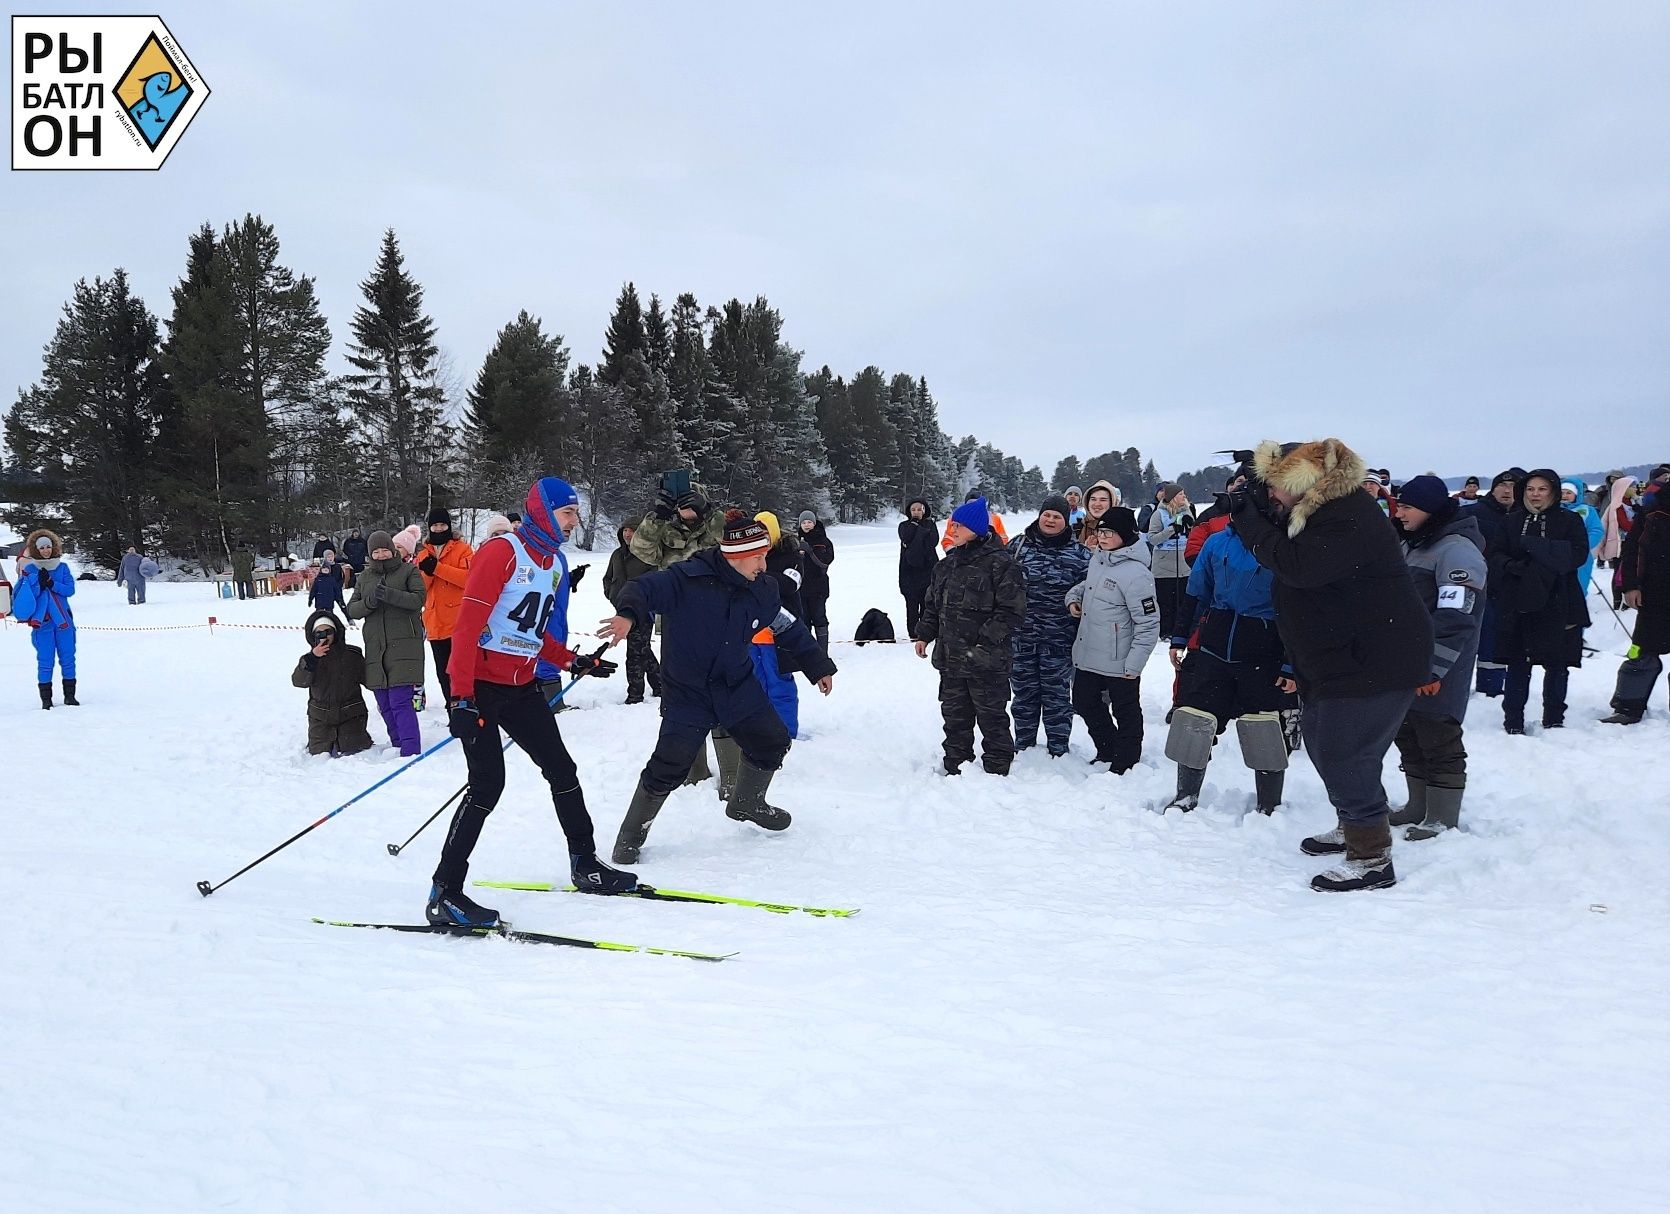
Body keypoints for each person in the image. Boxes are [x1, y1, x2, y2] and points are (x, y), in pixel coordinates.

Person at [1228, 439, 1433, 892]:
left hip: (1375, 657)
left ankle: (1372, 855)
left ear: (1301, 484)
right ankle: (1353, 823)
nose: (1271, 498)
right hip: (1340, 656)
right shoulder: (1318, 514)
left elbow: (1296, 566)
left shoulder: (1349, 516)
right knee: (1324, 744)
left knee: (1345, 750)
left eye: (1274, 488)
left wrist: (1249, 522)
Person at [428, 477, 628, 928]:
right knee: (486, 787)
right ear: (542, 512)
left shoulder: (554, 562)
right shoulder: (502, 553)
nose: (575, 522)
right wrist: (460, 698)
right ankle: (445, 891)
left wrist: (572, 661)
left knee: (562, 770)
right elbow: (465, 629)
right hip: (479, 687)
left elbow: (530, 635)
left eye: (575, 513)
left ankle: (586, 864)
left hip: (521, 688)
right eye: (567, 514)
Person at [603, 510, 837, 864]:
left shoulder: (763, 589)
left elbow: (786, 626)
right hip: (688, 691)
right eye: (757, 557)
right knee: (669, 765)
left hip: (736, 684)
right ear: (735, 556)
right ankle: (631, 835)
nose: (764, 563)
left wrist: (817, 664)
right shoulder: (686, 578)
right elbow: (641, 588)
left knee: (772, 740)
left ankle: (746, 801)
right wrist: (629, 614)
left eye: (764, 554)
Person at [1162, 492, 1294, 814]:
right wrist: (1179, 637)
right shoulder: (1217, 543)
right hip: (1214, 646)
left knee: (1263, 727)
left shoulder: (1285, 548)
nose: (1233, 516)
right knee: (1194, 720)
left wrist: (1293, 665)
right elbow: (1196, 593)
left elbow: (1300, 614)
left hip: (1266, 652)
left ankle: (1269, 805)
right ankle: (1185, 795)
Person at [1385, 476, 1487, 840]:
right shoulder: (1412, 543)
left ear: (1429, 510)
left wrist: (1432, 668)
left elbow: (1457, 618)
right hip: (1406, 665)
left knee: (1438, 737)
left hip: (1439, 669)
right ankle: (1417, 806)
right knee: (1408, 732)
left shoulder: (1457, 551)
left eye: (1407, 507)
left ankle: (1442, 817)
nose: (1398, 512)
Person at [914, 497, 1028, 775]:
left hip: (987, 662)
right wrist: (924, 635)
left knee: (992, 718)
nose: (951, 530)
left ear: (976, 529)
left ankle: (998, 768)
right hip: (950, 660)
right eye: (951, 524)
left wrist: (982, 643)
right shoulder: (946, 565)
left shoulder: (1002, 565)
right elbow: (932, 605)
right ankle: (955, 763)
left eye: (958, 526)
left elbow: (1012, 611)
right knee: (954, 717)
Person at [632, 484, 726, 779]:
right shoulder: (666, 530)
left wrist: (710, 512)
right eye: (682, 507)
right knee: (681, 693)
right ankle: (693, 769)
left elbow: (729, 543)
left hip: (718, 617)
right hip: (676, 619)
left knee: (723, 687)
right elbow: (641, 550)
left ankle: (732, 772)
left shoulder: (715, 527)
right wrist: (656, 516)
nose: (686, 513)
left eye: (692, 506)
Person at [1491, 469, 1591, 733]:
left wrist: (1538, 550)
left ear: (1554, 492)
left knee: (1557, 664)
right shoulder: (1511, 521)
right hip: (1518, 599)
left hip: (1560, 599)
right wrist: (1513, 566)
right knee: (1517, 663)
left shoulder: (1569, 521)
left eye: (1542, 489)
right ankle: (1513, 720)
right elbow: (1494, 554)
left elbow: (1578, 553)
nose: (1535, 495)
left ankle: (1554, 718)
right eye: (1530, 489)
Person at [1066, 508, 1159, 773]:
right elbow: (1090, 586)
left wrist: (1135, 664)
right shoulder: (1100, 559)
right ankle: (1107, 747)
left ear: (1126, 536)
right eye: (1100, 532)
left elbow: (1149, 622)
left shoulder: (1137, 574)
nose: (1102, 537)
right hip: (1090, 651)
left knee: (1125, 710)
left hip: (1121, 658)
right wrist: (1074, 597)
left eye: (1109, 533)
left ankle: (1127, 759)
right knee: (1083, 701)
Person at [1007, 493, 1089, 757]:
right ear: (1039, 516)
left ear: (1066, 521)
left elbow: (1090, 591)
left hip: (1059, 639)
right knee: (1023, 695)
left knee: (1057, 697)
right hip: (1021, 637)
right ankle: (1024, 745)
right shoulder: (1017, 547)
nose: (1051, 520)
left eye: (1057, 517)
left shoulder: (1080, 554)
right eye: (1047, 515)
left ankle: (1058, 748)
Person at [346, 531, 427, 757]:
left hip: (404, 646)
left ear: (392, 550)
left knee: (400, 700)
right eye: (376, 551)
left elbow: (418, 600)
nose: (381, 555)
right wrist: (370, 601)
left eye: (384, 550)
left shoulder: (408, 571)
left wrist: (390, 594)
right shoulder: (365, 577)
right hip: (376, 646)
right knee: (384, 701)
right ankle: (397, 744)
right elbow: (352, 609)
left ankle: (410, 750)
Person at [1602, 480, 1669, 724]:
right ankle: (1628, 707)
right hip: (1654, 594)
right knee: (1641, 652)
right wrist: (1629, 585)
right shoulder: (1654, 509)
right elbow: (1632, 550)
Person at [1468, 469, 1524, 697]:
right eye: (1502, 485)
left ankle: (1500, 685)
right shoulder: (1474, 512)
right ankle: (1485, 688)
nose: (1507, 490)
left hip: (1515, 587)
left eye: (1513, 486)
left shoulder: (1528, 517)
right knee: (1485, 635)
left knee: (1508, 638)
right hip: (1481, 585)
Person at [291, 611, 374, 756]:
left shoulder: (352, 655)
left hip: (351, 717)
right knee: (319, 753)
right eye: (319, 633)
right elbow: (299, 681)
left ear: (335, 632)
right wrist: (312, 659)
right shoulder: (309, 660)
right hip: (321, 720)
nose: (325, 636)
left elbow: (370, 680)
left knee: (354, 750)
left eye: (328, 632)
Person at [14, 530, 78, 709]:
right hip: (42, 623)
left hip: (64, 621)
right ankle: (46, 700)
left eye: (48, 547)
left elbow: (69, 590)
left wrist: (52, 584)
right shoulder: (30, 569)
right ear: (36, 549)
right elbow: (27, 598)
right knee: (45, 660)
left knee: (68, 658)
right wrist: (37, 584)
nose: (46, 551)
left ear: (54, 547)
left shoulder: (62, 567)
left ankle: (70, 696)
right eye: (42, 547)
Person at [416, 507, 472, 705]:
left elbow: (468, 579)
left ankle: (468, 708)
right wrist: (428, 573)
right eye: (435, 525)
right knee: (443, 674)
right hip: (435, 623)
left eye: (442, 525)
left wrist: (438, 568)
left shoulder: (463, 549)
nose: (439, 529)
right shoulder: (423, 554)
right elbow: (419, 590)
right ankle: (452, 710)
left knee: (462, 672)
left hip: (458, 621)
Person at [602, 521, 663, 704]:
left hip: (644, 611)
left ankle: (635, 695)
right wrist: (613, 595)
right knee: (643, 648)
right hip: (622, 610)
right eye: (625, 531)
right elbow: (608, 578)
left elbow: (656, 583)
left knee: (635, 651)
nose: (628, 534)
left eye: (632, 531)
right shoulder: (617, 554)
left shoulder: (648, 555)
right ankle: (661, 685)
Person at [1146, 483, 1194, 639]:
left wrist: (1190, 527)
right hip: (1164, 564)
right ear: (1172, 497)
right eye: (1180, 494)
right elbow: (1152, 538)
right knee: (1166, 600)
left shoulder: (1187, 511)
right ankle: (1165, 630)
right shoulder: (1158, 514)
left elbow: (1193, 535)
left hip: (1183, 562)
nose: (1184, 496)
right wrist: (1172, 529)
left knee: (1182, 599)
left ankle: (1180, 630)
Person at [897, 498, 940, 639]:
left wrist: (919, 536)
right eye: (913, 509)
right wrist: (916, 526)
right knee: (911, 603)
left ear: (924, 510)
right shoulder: (904, 525)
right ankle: (913, 633)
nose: (916, 512)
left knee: (927, 602)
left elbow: (932, 542)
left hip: (927, 569)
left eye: (919, 509)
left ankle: (926, 632)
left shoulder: (930, 525)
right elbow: (906, 537)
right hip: (908, 572)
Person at [796, 509, 835, 652]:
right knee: (804, 621)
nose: (806, 525)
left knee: (819, 618)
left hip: (819, 588)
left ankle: (822, 651)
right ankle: (808, 651)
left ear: (814, 523)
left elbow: (825, 563)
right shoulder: (795, 541)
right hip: (801, 588)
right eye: (804, 522)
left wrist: (810, 551)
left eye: (809, 522)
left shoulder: (823, 541)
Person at [1561, 478, 1605, 597]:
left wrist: (1583, 545)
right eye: (1562, 493)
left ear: (1577, 494)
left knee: (1579, 585)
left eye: (1568, 493)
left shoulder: (1587, 511)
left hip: (1581, 555)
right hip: (1558, 554)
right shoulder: (1554, 510)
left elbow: (1597, 530)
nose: (1564, 496)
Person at [943, 489, 1009, 549]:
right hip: (962, 554)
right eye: (970, 504)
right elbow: (948, 540)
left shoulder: (994, 518)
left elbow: (1003, 538)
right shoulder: (956, 518)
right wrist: (952, 553)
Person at [308, 548, 347, 616]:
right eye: (328, 557)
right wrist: (311, 598)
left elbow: (342, 577)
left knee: (342, 604)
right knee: (326, 608)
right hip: (326, 592)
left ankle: (349, 618)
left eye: (331, 556)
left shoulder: (337, 566)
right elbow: (315, 586)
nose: (330, 558)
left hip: (336, 588)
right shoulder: (323, 567)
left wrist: (339, 585)